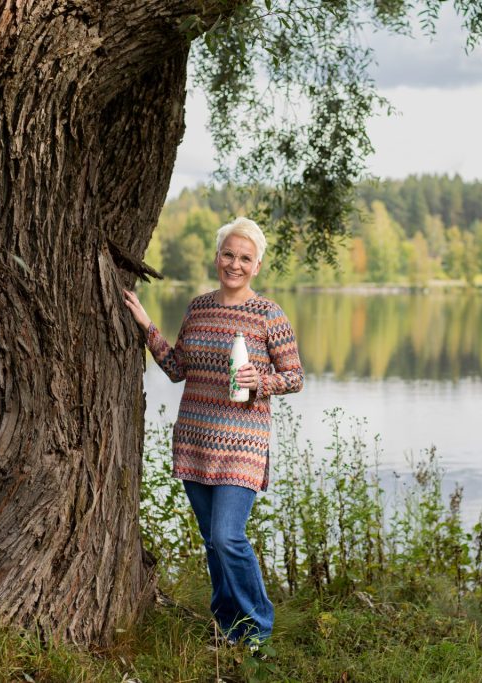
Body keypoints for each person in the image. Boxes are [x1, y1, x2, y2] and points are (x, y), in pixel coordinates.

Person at [123, 217, 303, 648]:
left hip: (243, 445)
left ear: (256, 266)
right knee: (212, 542)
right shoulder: (199, 307)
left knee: (227, 535)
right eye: (228, 254)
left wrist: (261, 379)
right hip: (196, 441)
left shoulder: (268, 314)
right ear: (217, 256)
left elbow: (294, 376)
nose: (234, 264)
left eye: (245, 258)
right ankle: (228, 626)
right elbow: (177, 369)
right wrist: (146, 325)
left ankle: (257, 626)